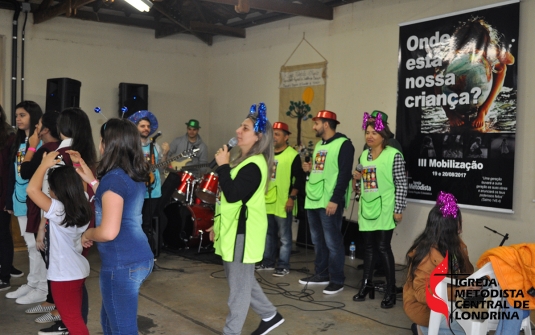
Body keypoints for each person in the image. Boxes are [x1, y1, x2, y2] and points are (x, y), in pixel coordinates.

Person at [403, 192, 528, 335]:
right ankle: (424, 328)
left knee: (507, 299)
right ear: (448, 228)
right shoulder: (426, 254)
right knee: (475, 323)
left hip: (454, 299)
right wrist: (461, 291)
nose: (461, 225)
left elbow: (466, 274)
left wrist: (475, 283)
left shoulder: (455, 244)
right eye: (458, 222)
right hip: (428, 308)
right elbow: (422, 294)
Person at [208, 103, 284, 335]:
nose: (238, 131)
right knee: (242, 281)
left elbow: (233, 192)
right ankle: (270, 315)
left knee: (238, 290)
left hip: (243, 234)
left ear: (258, 136)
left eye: (245, 128)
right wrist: (216, 223)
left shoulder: (255, 165)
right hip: (233, 232)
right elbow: (230, 201)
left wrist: (222, 167)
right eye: (240, 126)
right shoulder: (242, 161)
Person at [75, 118, 153, 334]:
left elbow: (109, 232)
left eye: (101, 141)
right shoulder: (131, 173)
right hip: (137, 257)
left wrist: (88, 233)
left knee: (120, 328)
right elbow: (117, 203)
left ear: (108, 145)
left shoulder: (113, 180)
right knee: (110, 322)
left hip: (122, 263)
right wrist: (92, 182)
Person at [27, 152, 92, 335]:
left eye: (51, 188)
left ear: (58, 190)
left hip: (64, 276)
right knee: (75, 317)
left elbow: (32, 190)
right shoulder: (83, 203)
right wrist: (78, 164)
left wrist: (44, 165)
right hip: (77, 270)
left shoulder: (59, 210)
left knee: (73, 321)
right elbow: (84, 186)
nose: (48, 191)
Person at [353, 112, 407, 308]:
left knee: (383, 248)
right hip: (367, 207)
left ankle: (391, 290)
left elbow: (401, 184)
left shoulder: (394, 155)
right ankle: (366, 285)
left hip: (386, 208)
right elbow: (359, 188)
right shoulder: (363, 156)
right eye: (367, 132)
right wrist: (356, 180)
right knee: (368, 249)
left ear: (383, 135)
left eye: (374, 132)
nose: (369, 136)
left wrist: (398, 208)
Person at [300, 110, 355, 294]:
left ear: (326, 124)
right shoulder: (318, 146)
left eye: (316, 123)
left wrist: (335, 199)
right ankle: (321, 274)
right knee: (318, 241)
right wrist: (309, 169)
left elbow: (344, 174)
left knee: (333, 242)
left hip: (329, 202)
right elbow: (320, 171)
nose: (314, 126)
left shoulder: (344, 145)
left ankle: (337, 279)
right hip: (313, 200)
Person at [19, 111, 62, 319]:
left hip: (44, 205)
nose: (36, 129)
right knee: (47, 252)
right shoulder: (56, 149)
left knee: (47, 252)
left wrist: (32, 145)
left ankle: (52, 302)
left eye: (38, 126)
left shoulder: (46, 150)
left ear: (45, 130)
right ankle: (49, 299)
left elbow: (25, 171)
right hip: (46, 206)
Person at [5, 101, 46, 304]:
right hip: (20, 200)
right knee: (30, 245)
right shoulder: (18, 142)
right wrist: (10, 201)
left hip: (35, 201)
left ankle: (41, 286)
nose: (18, 119)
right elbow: (13, 174)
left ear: (33, 116)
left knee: (37, 245)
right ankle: (32, 283)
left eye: (22, 115)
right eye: (16, 115)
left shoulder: (40, 143)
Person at [257, 122, 304, 276]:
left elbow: (299, 179)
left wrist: (292, 198)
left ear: (286, 136)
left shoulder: (292, 155)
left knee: (284, 237)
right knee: (268, 234)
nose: (274, 137)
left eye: (277, 134)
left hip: (284, 202)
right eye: (273, 134)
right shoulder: (266, 153)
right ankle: (268, 262)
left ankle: (283, 265)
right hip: (267, 200)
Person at [128, 110, 165, 255]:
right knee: (136, 223)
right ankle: (136, 252)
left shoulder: (155, 146)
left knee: (149, 223)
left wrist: (165, 155)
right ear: (136, 128)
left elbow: (160, 167)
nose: (146, 129)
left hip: (154, 191)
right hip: (136, 191)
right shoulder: (131, 147)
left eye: (148, 126)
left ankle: (148, 253)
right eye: (142, 126)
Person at [0, 104, 21, 291]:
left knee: (3, 234)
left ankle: (4, 275)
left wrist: (8, 199)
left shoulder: (9, 136)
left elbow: (9, 173)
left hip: (2, 195)